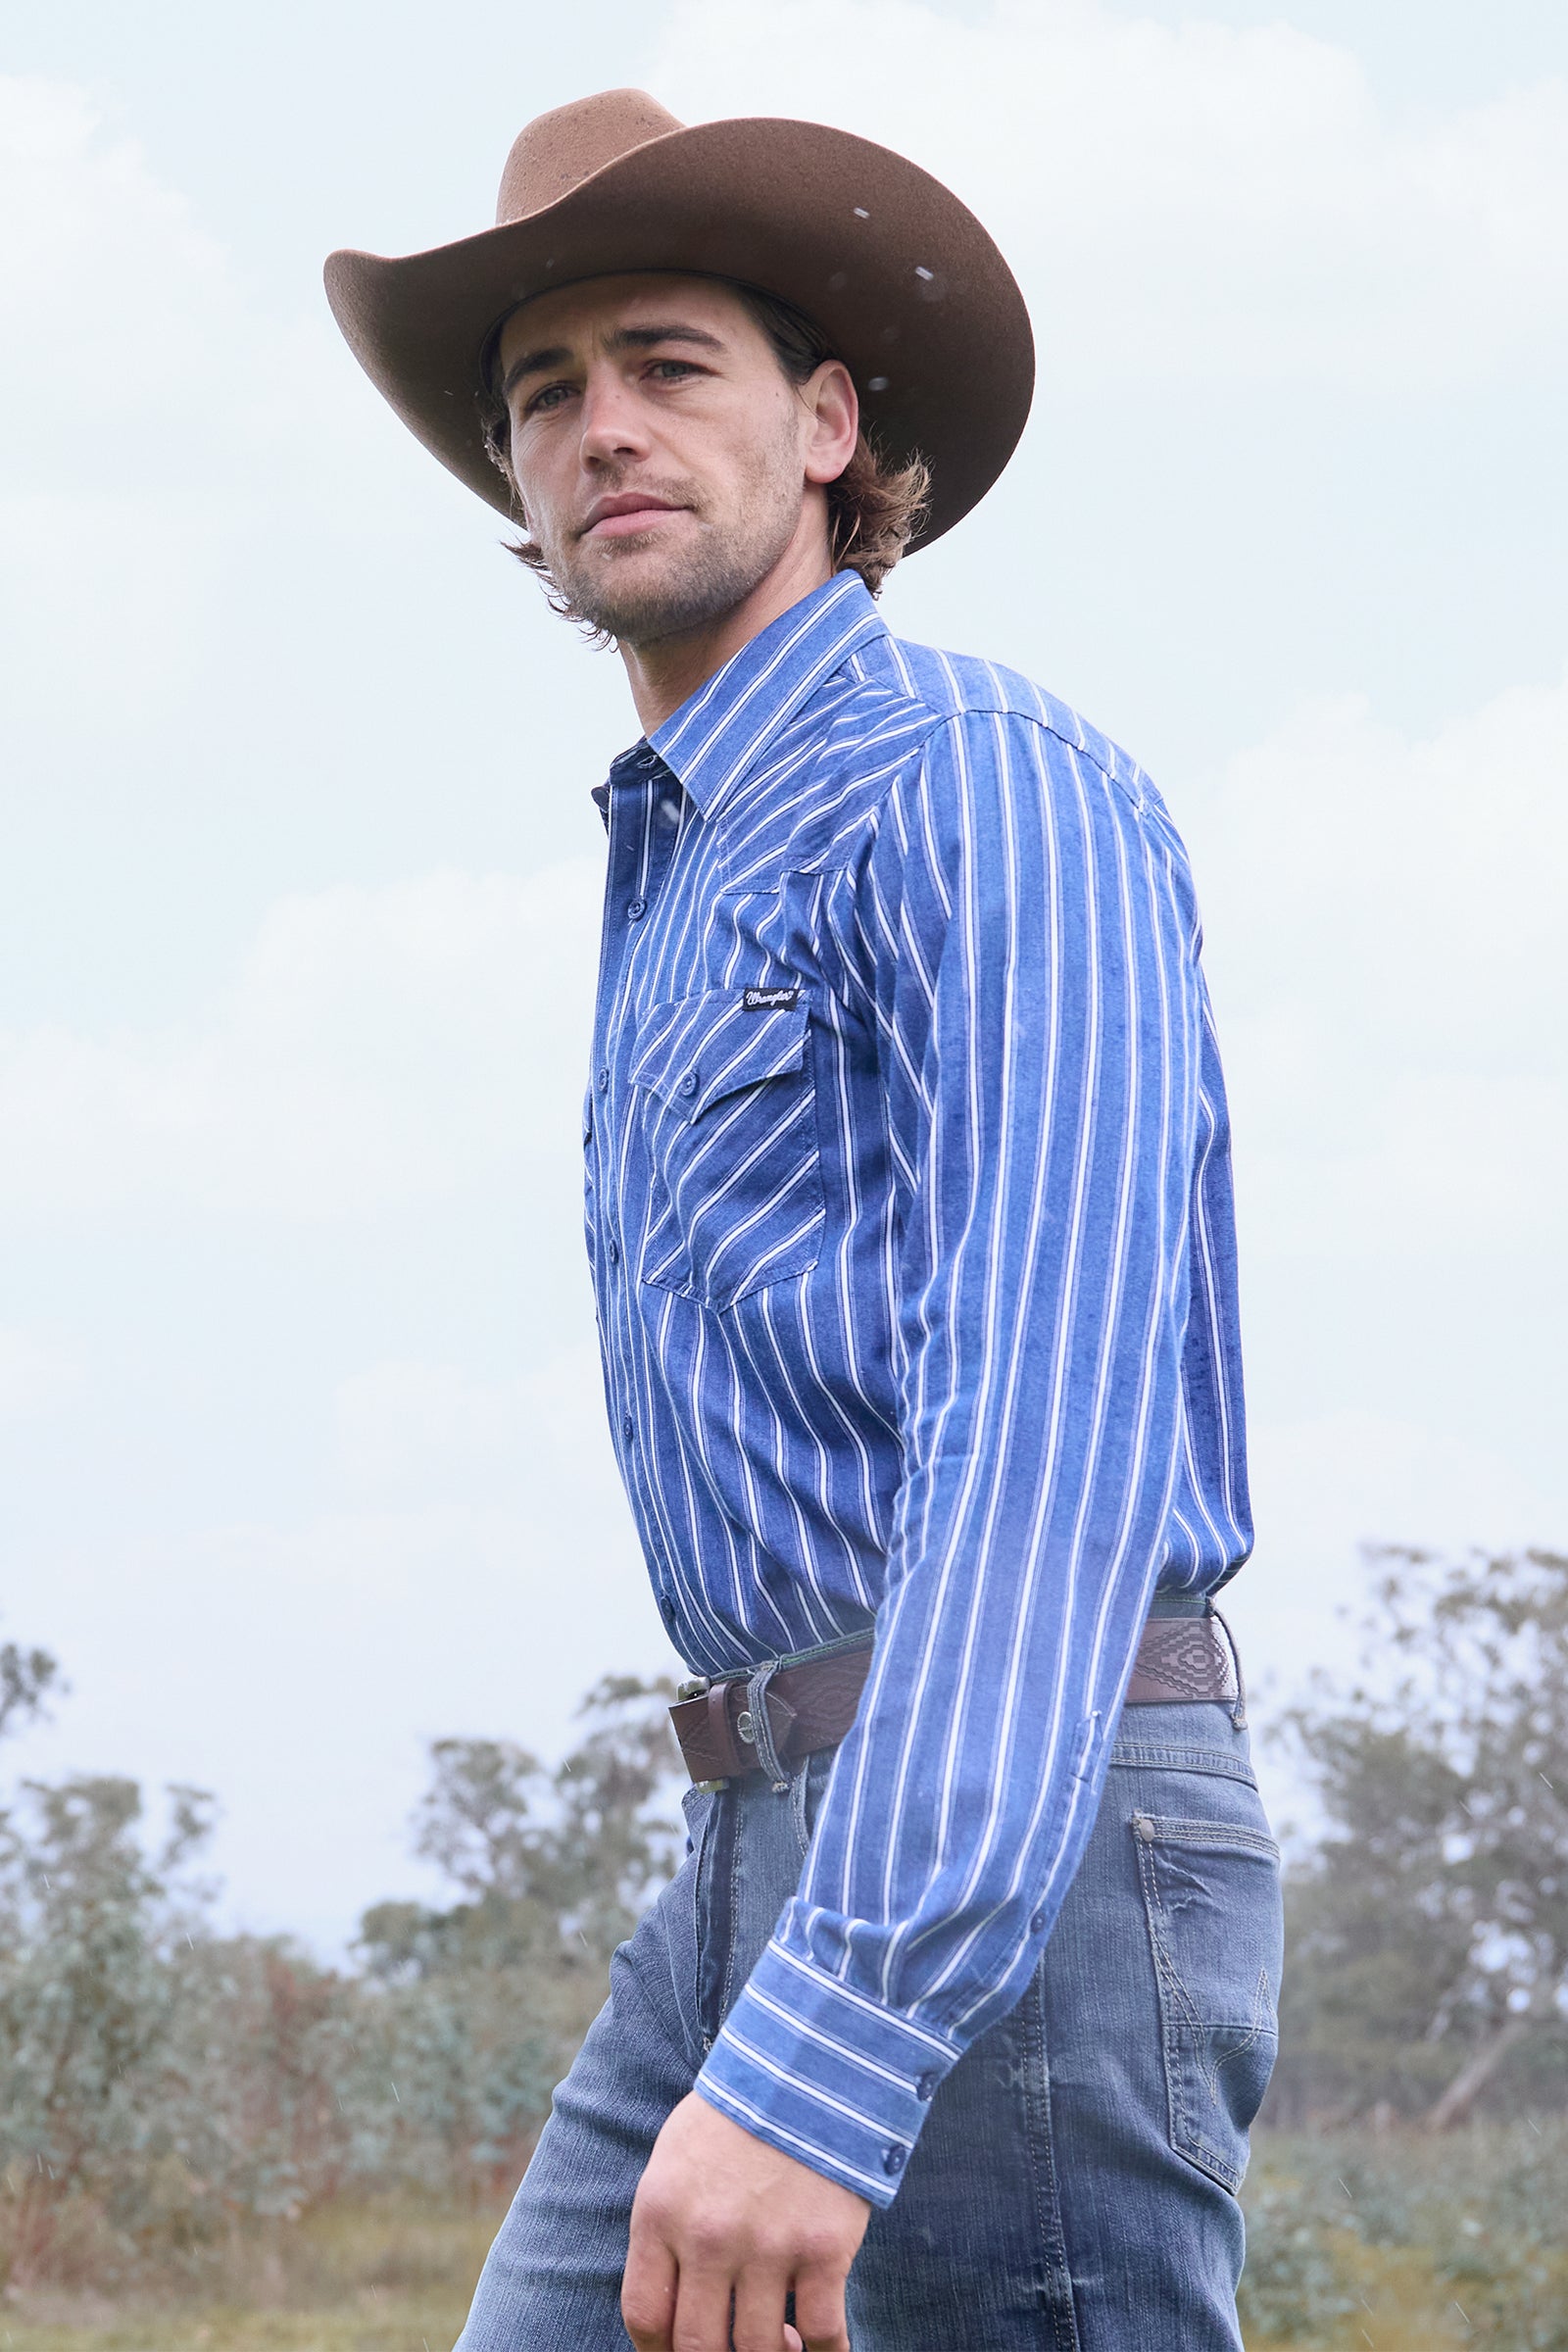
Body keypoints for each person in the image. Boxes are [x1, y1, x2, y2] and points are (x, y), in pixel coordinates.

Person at [326, 87, 1284, 2352]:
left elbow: (1043, 1437)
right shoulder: (672, 869)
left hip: (1007, 1844)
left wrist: (850, 2027)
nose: (598, 429)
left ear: (831, 425)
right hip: (754, 1836)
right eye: (542, 395)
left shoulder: (968, 783)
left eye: (667, 364)